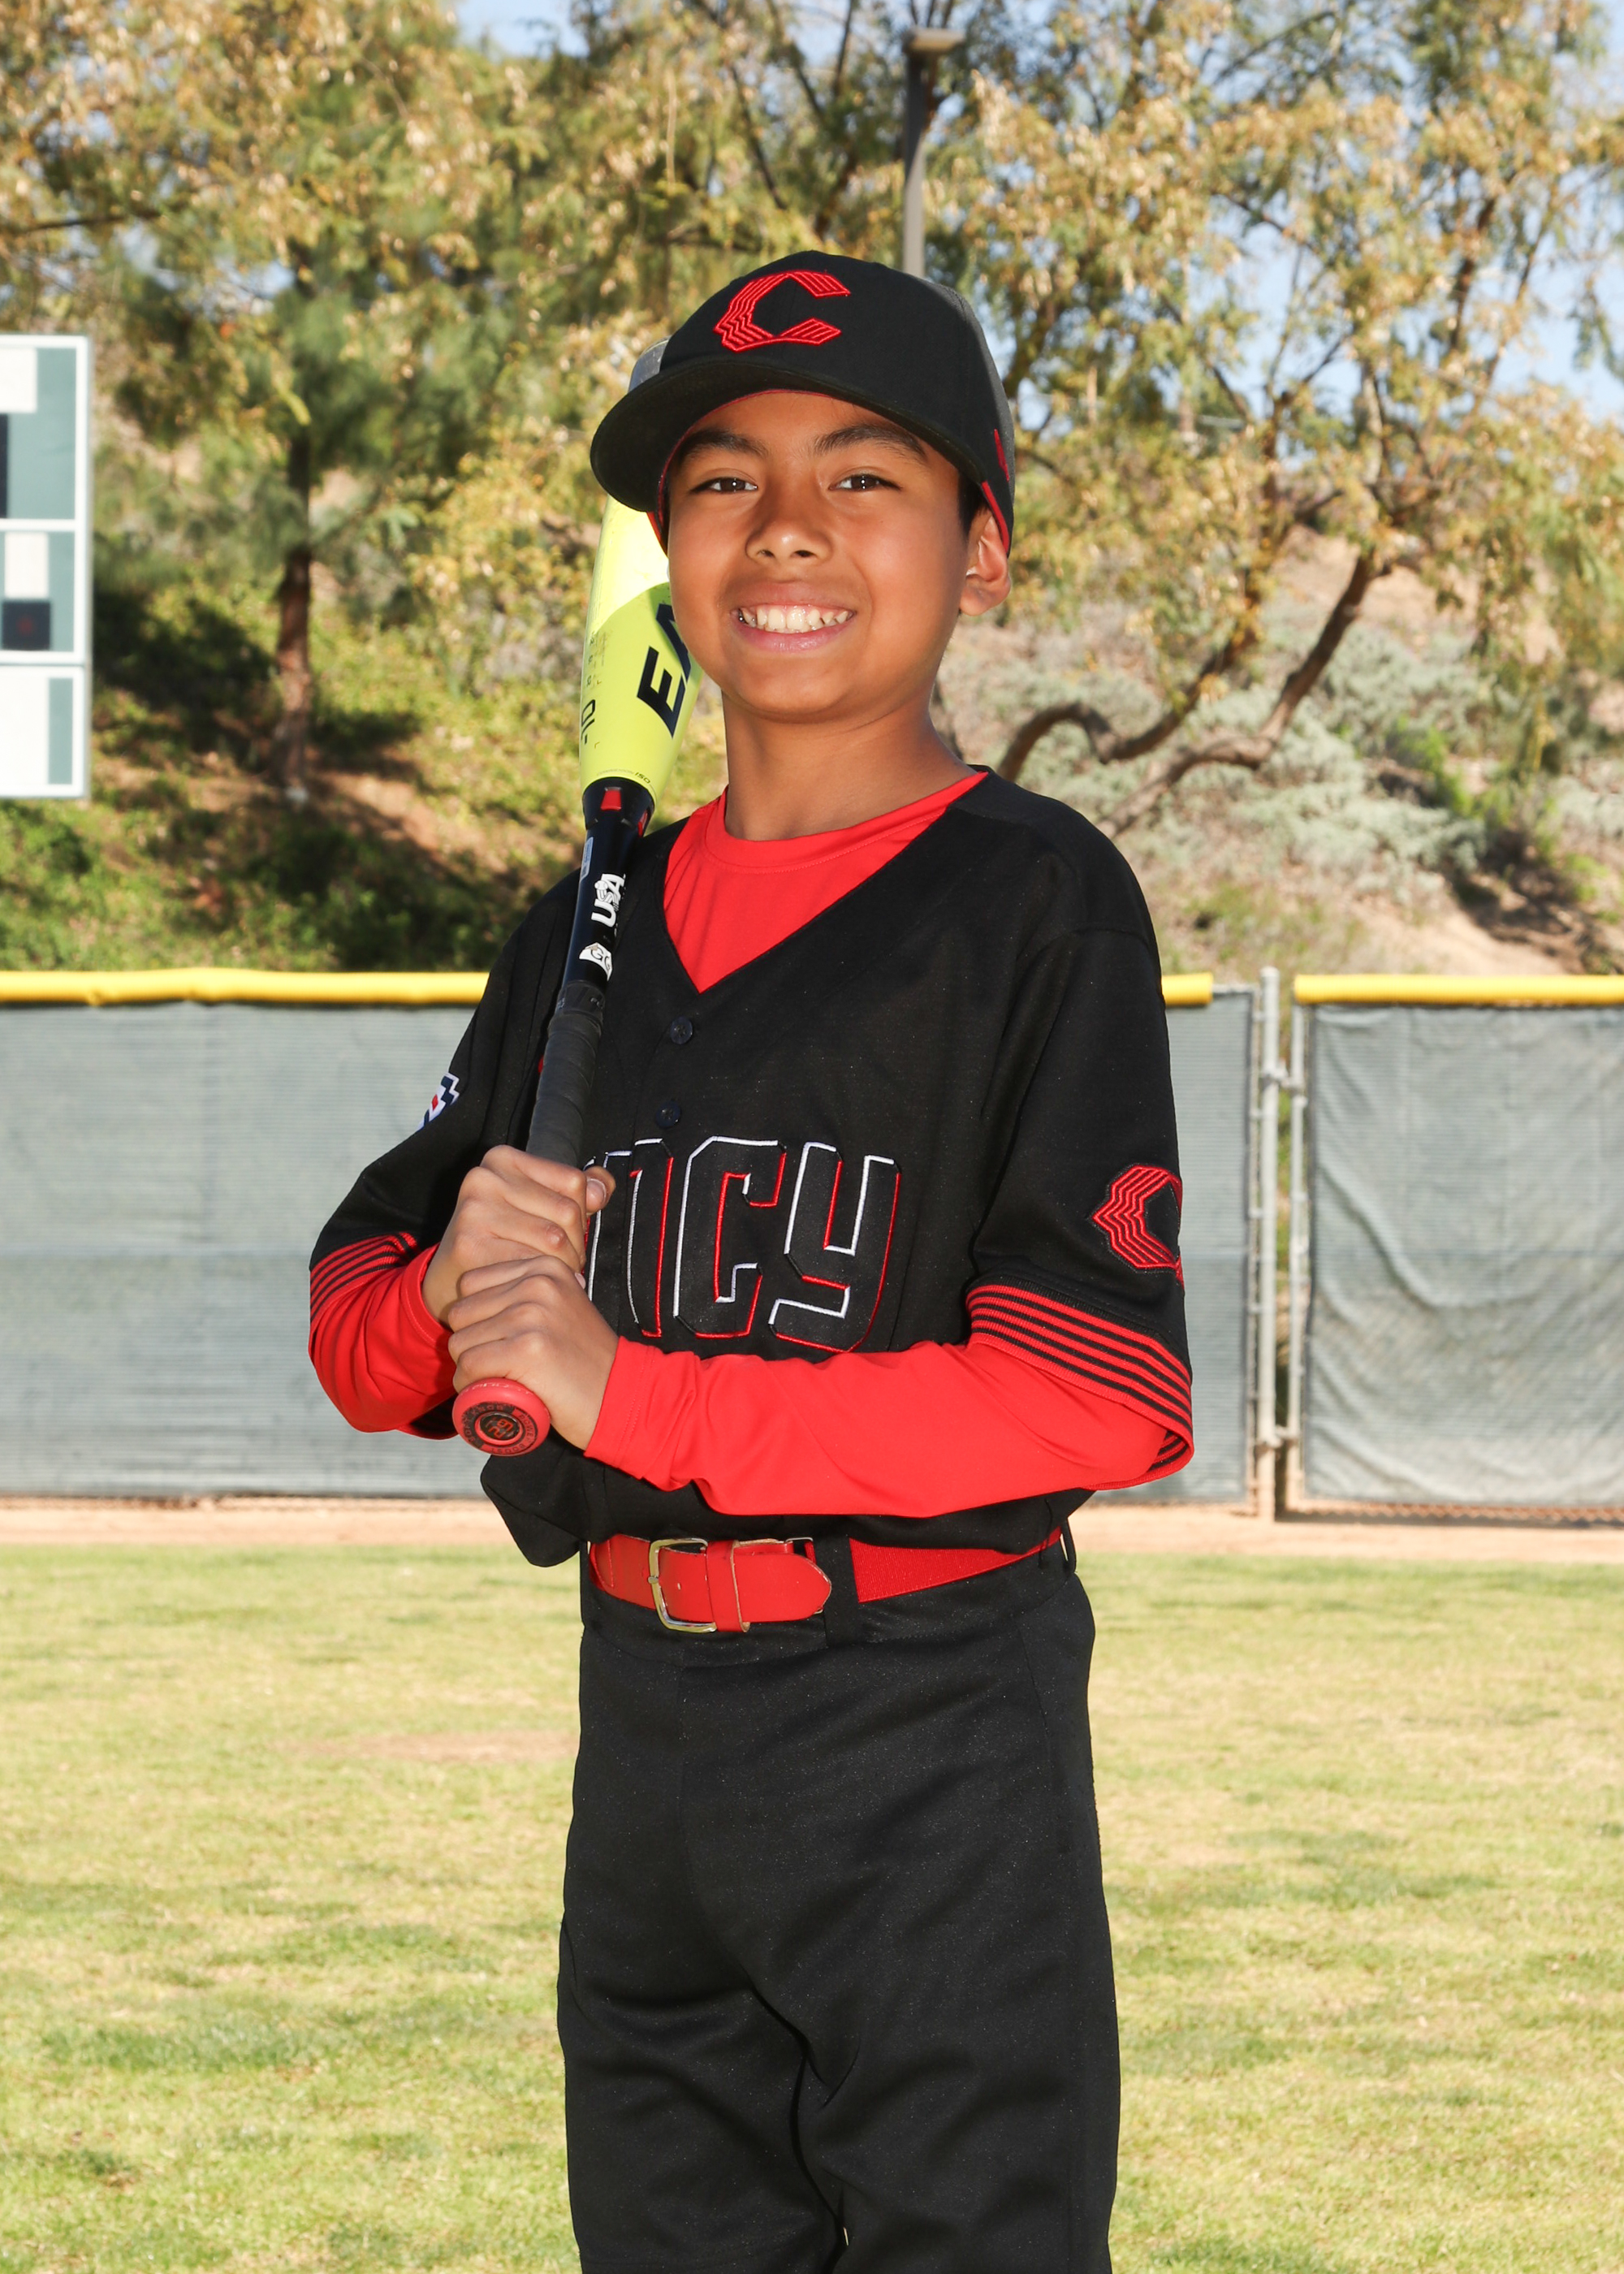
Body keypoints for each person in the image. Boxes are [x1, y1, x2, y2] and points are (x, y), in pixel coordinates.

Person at [310, 251, 1191, 2274]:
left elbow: (1094, 1393)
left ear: (981, 549)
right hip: (645, 1730)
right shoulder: (589, 917)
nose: (786, 526)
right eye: (723, 480)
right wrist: (453, 1288)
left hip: (926, 1726)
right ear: (673, 554)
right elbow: (361, 1330)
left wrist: (631, 1387)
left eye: (864, 475)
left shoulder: (1037, 899)